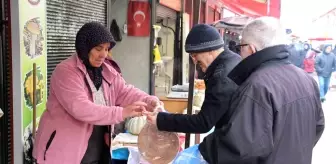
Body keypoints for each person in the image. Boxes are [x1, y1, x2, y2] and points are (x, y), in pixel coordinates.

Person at [176, 17, 324, 164]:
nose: (240, 53)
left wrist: (202, 150)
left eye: (241, 47)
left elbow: (240, 147)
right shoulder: (307, 79)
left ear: (251, 49)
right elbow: (318, 126)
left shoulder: (257, 85)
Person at [33, 22, 162, 164]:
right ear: (84, 48)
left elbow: (124, 92)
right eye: (98, 48)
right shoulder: (65, 72)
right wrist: (122, 113)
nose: (103, 54)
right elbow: (81, 108)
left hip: (97, 150)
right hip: (64, 152)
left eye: (107, 49)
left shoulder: (106, 70)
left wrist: (149, 100)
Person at [145, 24, 241, 134]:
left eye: (195, 55)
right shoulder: (233, 60)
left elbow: (203, 123)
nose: (194, 61)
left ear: (209, 50)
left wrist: (160, 119)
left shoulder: (221, 77)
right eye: (192, 56)